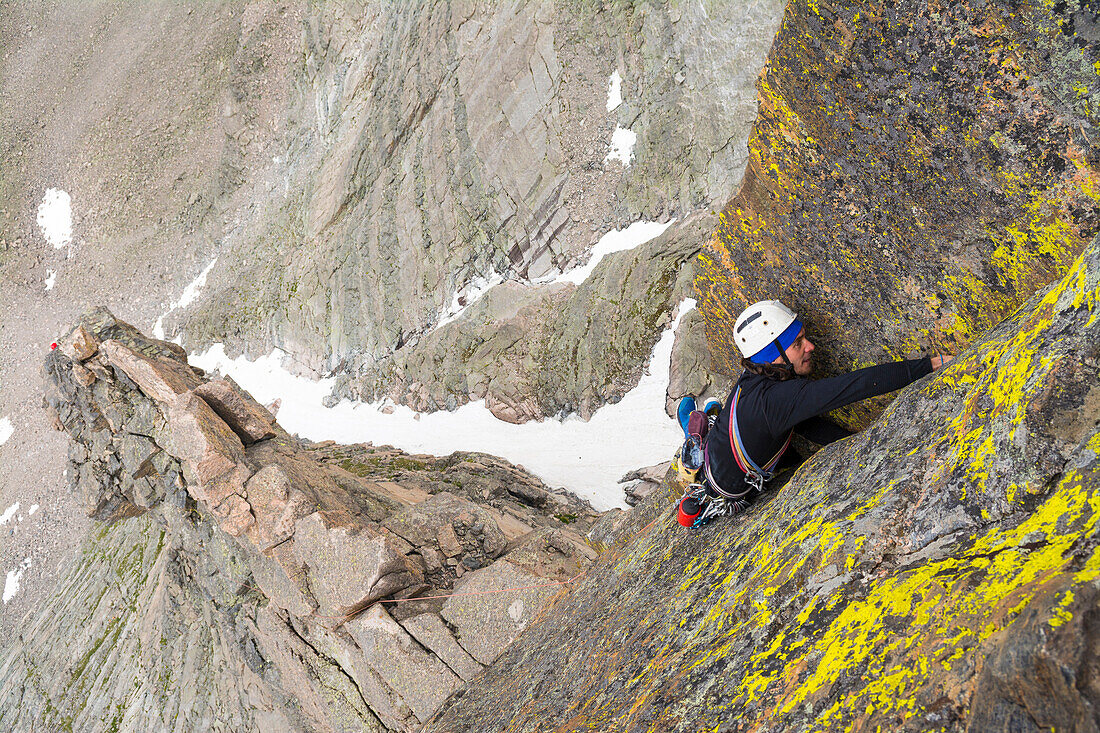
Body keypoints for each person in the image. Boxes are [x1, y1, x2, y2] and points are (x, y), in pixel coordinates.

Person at [699, 300, 950, 513]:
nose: (810, 346)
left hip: (721, 452)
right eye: (798, 343)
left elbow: (805, 421)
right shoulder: (776, 400)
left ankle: (702, 426)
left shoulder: (755, 375)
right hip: (731, 490)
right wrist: (930, 365)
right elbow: (855, 386)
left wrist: (859, 442)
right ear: (773, 356)